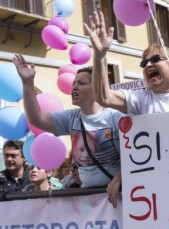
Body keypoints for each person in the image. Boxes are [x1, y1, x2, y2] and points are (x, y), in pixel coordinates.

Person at [13, 55, 124, 207]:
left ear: (97, 87)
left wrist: (118, 179)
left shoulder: (116, 117)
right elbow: (35, 119)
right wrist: (27, 83)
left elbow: (134, 156)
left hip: (118, 197)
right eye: (73, 83)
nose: (74, 87)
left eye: (81, 83)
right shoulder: (72, 117)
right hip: (88, 199)